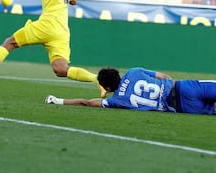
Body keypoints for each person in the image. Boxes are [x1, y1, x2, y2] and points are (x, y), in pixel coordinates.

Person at [45, 66, 216, 115]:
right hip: (183, 87)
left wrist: (58, 100)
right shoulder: (133, 72)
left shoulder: (116, 100)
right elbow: (163, 76)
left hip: (182, 107)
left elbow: (86, 102)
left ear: (107, 88)